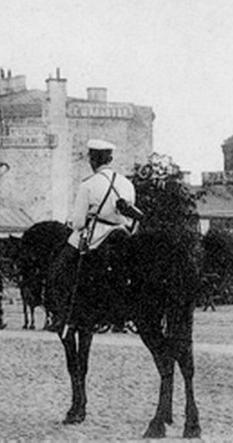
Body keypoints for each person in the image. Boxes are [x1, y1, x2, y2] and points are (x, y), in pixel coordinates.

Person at [46, 139, 141, 333]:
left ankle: (64, 314)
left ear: (92, 160)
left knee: (60, 266)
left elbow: (79, 223)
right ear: (111, 158)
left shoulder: (88, 185)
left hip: (97, 235)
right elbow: (130, 218)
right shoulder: (126, 184)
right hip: (122, 233)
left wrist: (74, 223)